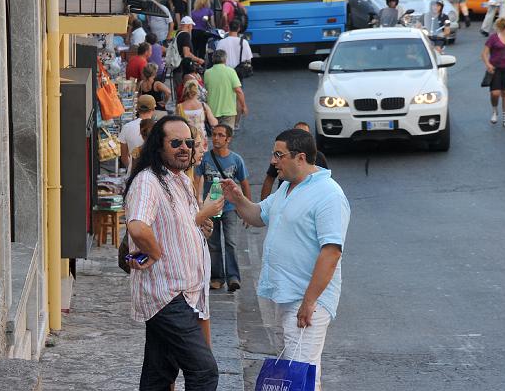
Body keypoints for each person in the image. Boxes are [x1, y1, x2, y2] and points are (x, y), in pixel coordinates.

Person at [220, 128, 350, 391]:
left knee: (298, 368)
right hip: (284, 296)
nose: (273, 161)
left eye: (279, 155)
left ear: (300, 158)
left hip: (307, 299)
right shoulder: (287, 189)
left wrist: (310, 301)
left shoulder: (329, 194)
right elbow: (258, 216)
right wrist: (237, 198)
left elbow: (332, 252)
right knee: (300, 373)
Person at [124, 115, 222, 390]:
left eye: (189, 142)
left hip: (185, 293)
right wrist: (154, 253)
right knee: (204, 371)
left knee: (159, 375)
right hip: (167, 295)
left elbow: (179, 224)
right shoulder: (148, 181)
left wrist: (199, 231)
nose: (185, 148)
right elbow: (138, 227)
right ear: (158, 146)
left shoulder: (179, 180)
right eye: (176, 142)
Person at [196, 124, 250, 292]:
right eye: (214, 135)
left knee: (230, 242)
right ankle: (217, 277)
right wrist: (197, 203)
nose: (216, 138)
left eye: (220, 135)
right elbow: (196, 180)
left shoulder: (236, 160)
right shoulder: (205, 159)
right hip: (211, 209)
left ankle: (233, 277)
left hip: (229, 208)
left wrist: (247, 209)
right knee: (213, 244)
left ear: (228, 139)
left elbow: (245, 184)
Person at [261, 122, 328, 200]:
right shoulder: (285, 186)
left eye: (305, 135)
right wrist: (263, 205)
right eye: (297, 133)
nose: (273, 161)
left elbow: (325, 179)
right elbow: (269, 180)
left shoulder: (319, 157)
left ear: (301, 158)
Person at [203, 49, 247, 130]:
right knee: (226, 138)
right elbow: (239, 91)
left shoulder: (207, 73)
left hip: (213, 112)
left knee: (216, 137)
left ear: (212, 59)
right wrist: (243, 106)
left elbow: (206, 89)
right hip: (228, 112)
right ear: (225, 59)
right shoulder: (231, 71)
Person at [119, 95, 157, 171]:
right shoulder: (159, 128)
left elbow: (124, 157)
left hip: (133, 173)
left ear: (137, 108)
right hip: (153, 175)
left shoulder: (127, 127)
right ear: (153, 109)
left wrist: (131, 167)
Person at [177, 80, 217, 151]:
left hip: (187, 138)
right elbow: (213, 122)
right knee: (201, 157)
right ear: (197, 92)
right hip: (202, 138)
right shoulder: (203, 105)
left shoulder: (180, 107)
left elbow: (176, 124)